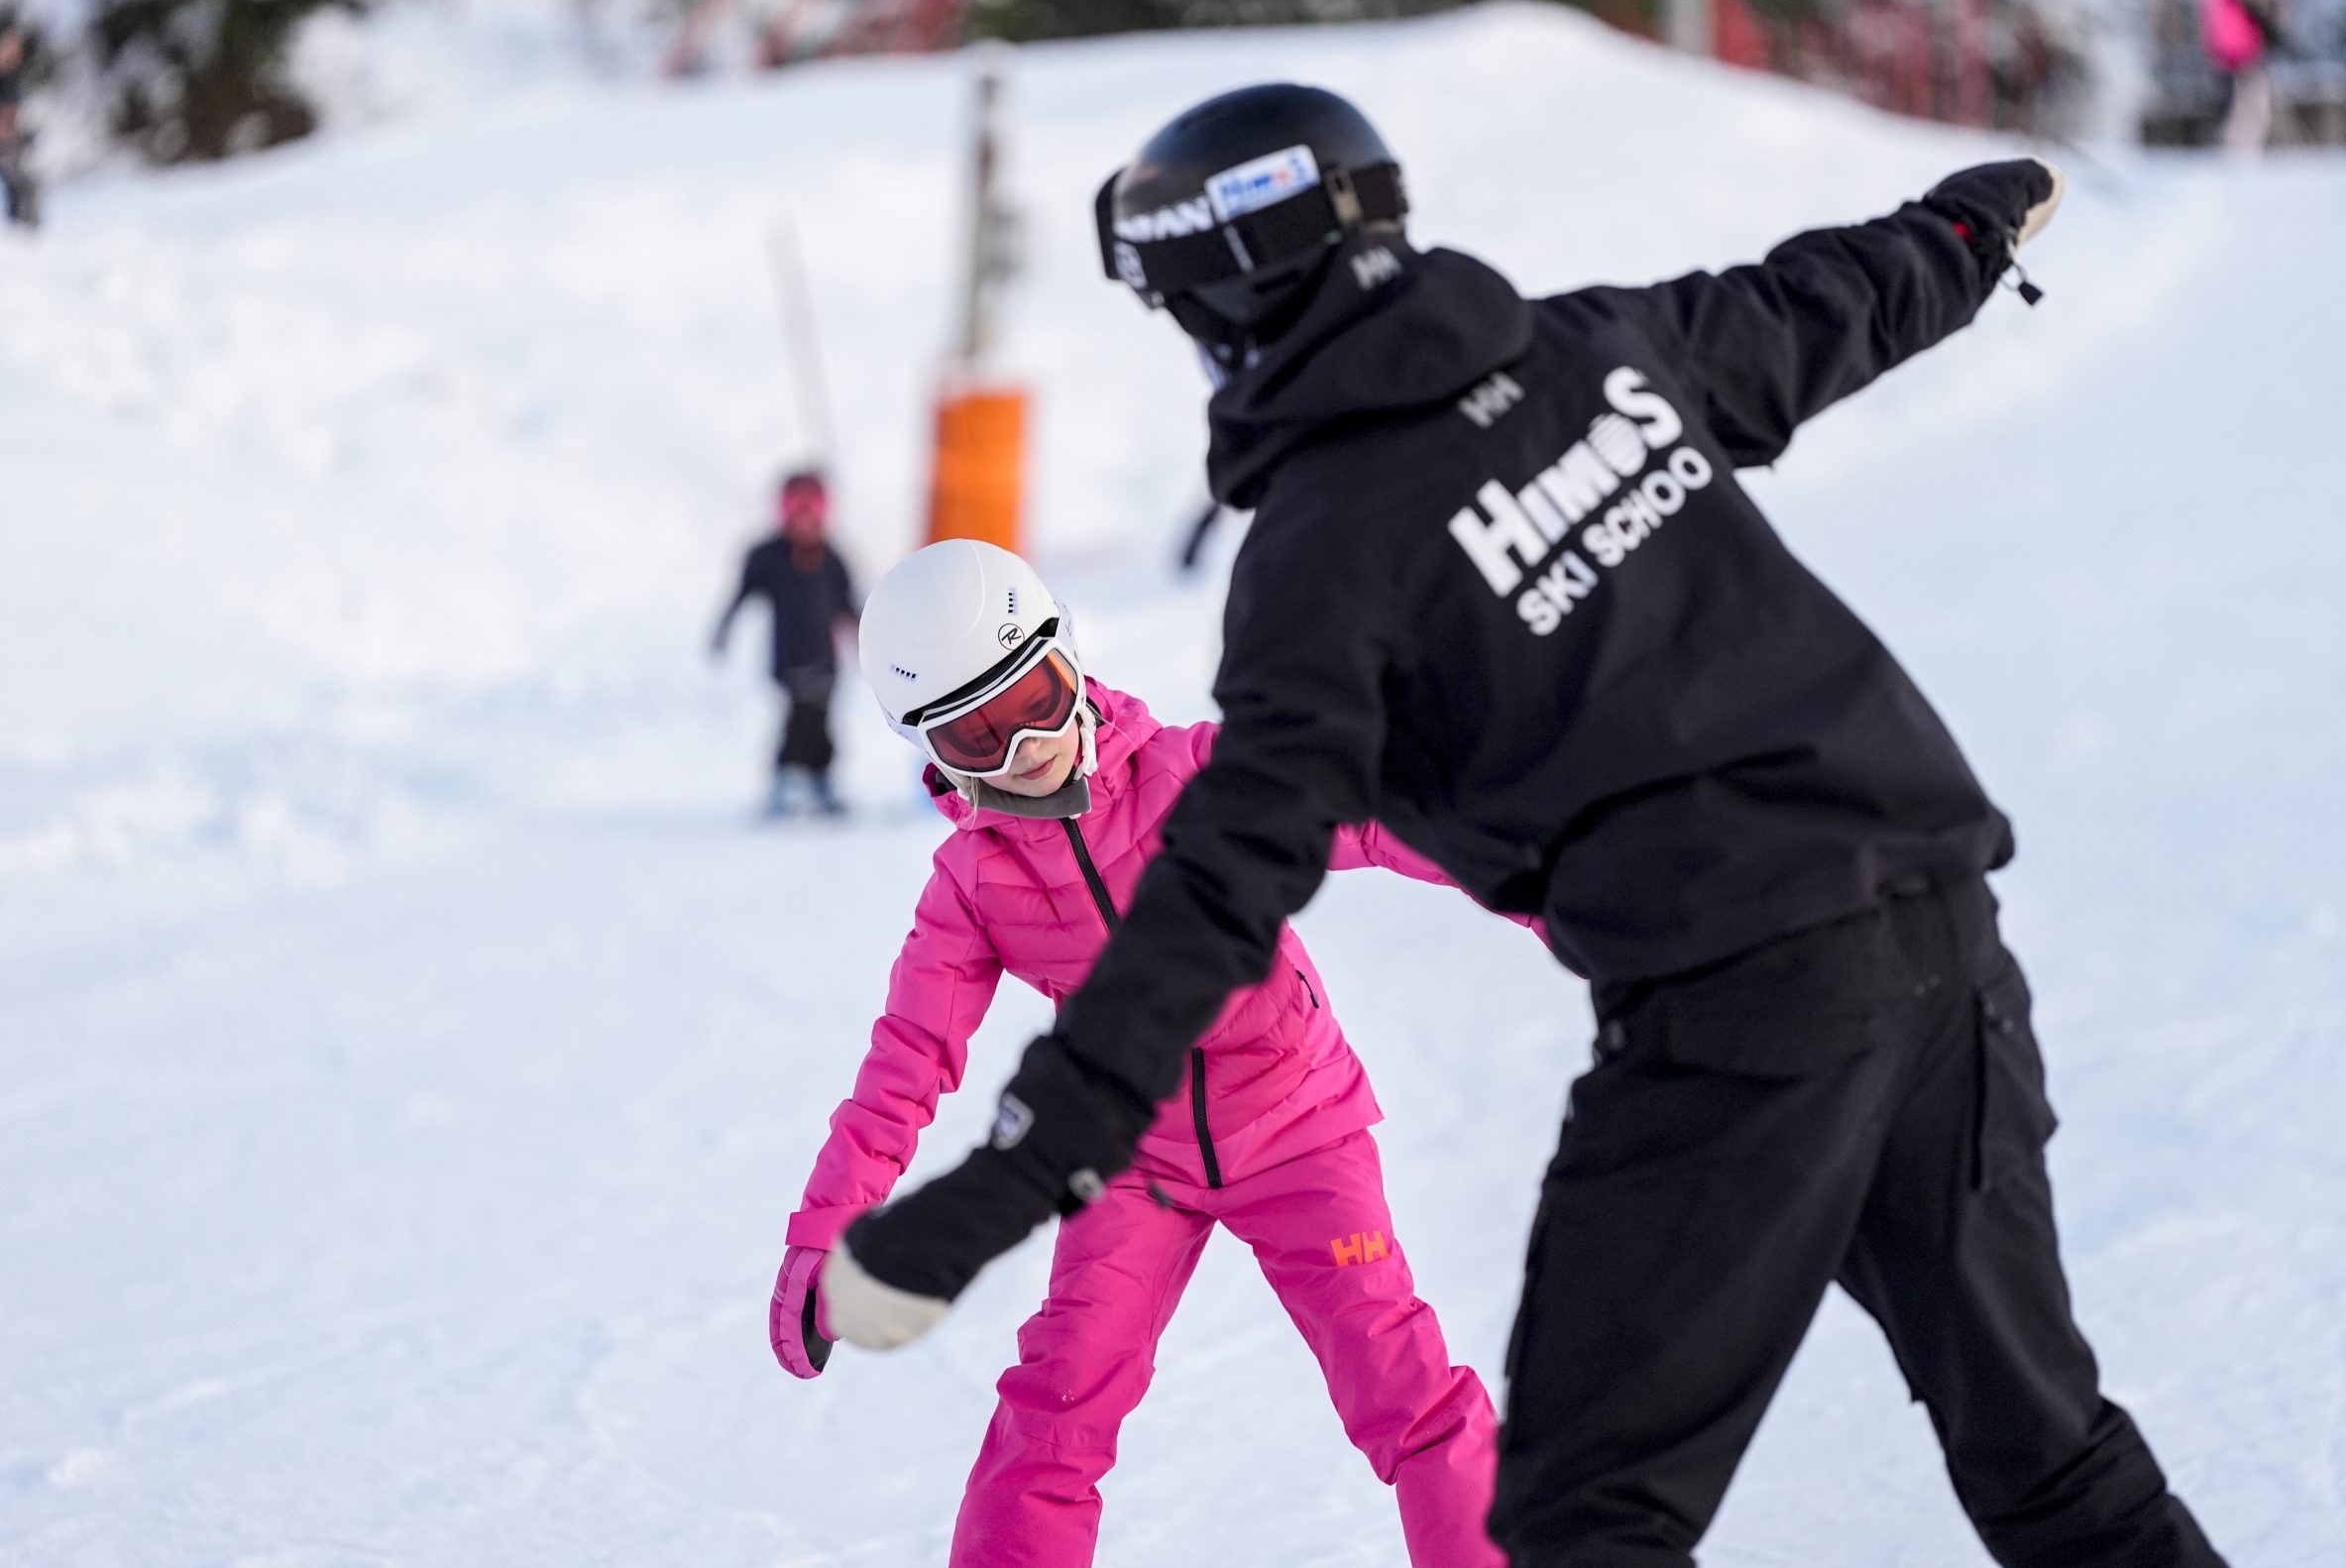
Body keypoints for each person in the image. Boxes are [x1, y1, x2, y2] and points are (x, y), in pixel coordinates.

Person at [821, 84, 2233, 1568]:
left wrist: (984, 1195)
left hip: (1742, 1002)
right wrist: (1965, 223)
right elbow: (1815, 307)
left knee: (1579, 1522)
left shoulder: (1321, 559)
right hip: (1945, 939)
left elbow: (1209, 900)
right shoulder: (1591, 352)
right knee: (2042, 1447)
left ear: (1227, 310)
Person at [776, 537, 1508, 1567]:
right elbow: (907, 1058)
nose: (1025, 745)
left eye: (1033, 696)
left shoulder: (1197, 777)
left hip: (1296, 1125)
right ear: (932, 754)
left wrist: (1557, 879)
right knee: (1054, 1412)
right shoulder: (972, 886)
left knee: (1403, 1389)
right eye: (977, 736)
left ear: (1067, 660)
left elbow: (1382, 819)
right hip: (1127, 1159)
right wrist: (831, 1222)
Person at [712, 469, 860, 816]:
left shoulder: (832, 557)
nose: (805, 520)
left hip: (825, 659)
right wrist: (724, 628)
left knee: (821, 718)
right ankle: (785, 779)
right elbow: (742, 594)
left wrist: (867, 638)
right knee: (797, 717)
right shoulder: (769, 556)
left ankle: (821, 780)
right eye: (797, 509)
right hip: (789, 658)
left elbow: (848, 605)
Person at [2201, 0, 2279, 155]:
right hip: (2237, 57)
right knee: (2242, 104)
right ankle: (2239, 144)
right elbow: (2225, 31)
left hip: (2245, 56)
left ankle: (2245, 143)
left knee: (2250, 102)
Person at [0, 19, 35, 230]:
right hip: (5, 143)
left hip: (9, 143)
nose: (16, 51)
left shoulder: (11, 78)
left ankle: (22, 230)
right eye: (10, 46)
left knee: (21, 185)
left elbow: (13, 114)